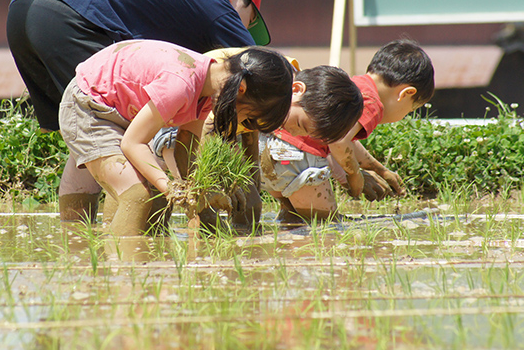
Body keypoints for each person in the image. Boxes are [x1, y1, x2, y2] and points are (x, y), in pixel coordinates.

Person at [6, 0, 271, 220]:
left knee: (92, 137)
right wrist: (250, 188)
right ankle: (121, 243)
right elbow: (258, 86)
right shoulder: (219, 8)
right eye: (249, 20)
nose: (244, 31)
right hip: (71, 13)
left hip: (22, 8)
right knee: (127, 162)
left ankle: (75, 241)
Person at [58, 39, 294, 236]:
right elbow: (132, 143)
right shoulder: (181, 84)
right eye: (250, 117)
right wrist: (172, 189)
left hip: (118, 111)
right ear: (241, 89)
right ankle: (120, 279)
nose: (245, 125)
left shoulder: (206, 85)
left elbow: (186, 150)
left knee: (150, 196)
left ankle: (128, 261)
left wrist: (204, 193)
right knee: (136, 195)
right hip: (88, 105)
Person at [153, 58, 365, 231]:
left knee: (249, 205)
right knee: (210, 212)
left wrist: (251, 179)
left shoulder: (274, 100)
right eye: (300, 124)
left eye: (305, 133)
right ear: (297, 88)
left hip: (202, 131)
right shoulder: (269, 87)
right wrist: (219, 187)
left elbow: (249, 135)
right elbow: (203, 133)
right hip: (176, 125)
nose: (293, 132)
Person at [260, 39, 435, 222]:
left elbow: (345, 140)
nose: (405, 115)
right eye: (410, 110)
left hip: (269, 148)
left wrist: (379, 169)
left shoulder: (354, 85)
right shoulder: (372, 102)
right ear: (406, 94)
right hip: (296, 156)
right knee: (325, 225)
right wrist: (354, 175)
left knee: (293, 220)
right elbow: (339, 141)